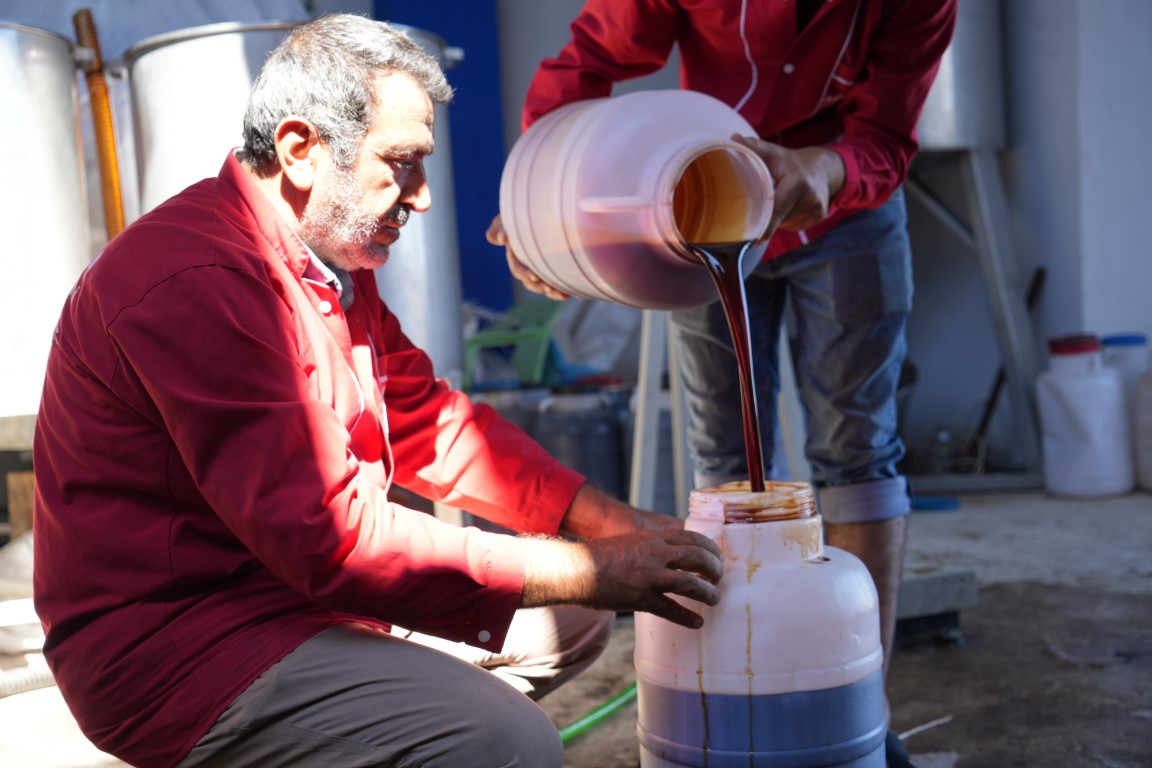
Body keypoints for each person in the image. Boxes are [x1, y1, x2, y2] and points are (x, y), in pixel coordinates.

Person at [32, 14, 724, 768]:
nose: (420, 198)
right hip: (182, 644)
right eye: (400, 163)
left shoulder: (327, 261)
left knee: (573, 619)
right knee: (509, 737)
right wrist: (594, 568)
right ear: (300, 150)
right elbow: (334, 539)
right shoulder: (197, 283)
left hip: (290, 597)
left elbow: (430, 422)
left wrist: (614, 525)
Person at [488, 0, 957, 760]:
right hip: (696, 204)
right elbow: (591, 57)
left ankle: (857, 702)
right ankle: (733, 694)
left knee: (858, 447)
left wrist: (826, 166)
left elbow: (886, 136)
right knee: (724, 460)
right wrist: (538, 194)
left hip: (844, 211)